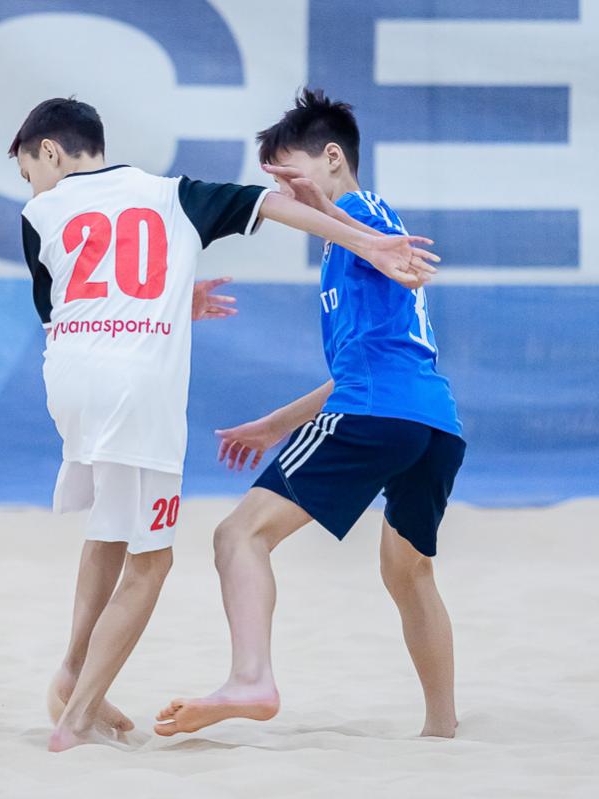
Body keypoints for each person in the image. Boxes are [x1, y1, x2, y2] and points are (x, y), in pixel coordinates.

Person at [10, 96, 438, 751]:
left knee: (109, 528)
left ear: (48, 151)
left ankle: (72, 675)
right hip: (137, 391)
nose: (30, 185)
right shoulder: (172, 193)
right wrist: (368, 242)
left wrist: (170, 298)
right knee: (153, 562)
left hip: (68, 383)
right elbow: (272, 207)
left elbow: (72, 302)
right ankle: (75, 719)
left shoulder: (38, 213)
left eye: (27, 172)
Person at [154, 89, 466, 740]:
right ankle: (442, 730)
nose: (282, 195)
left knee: (237, 536)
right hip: (431, 423)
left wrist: (323, 208)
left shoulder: (361, 214)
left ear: (332, 158)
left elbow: (391, 259)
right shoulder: (348, 244)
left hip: (380, 416)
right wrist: (276, 424)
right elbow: (368, 363)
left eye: (288, 176)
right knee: (407, 572)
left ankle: (250, 679)